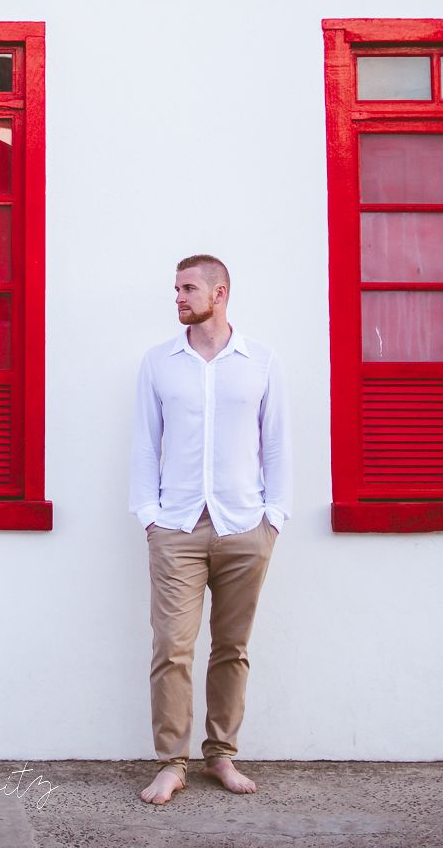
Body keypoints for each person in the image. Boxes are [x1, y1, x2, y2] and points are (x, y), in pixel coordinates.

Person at [130, 255, 291, 804]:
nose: (177, 296)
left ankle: (220, 754)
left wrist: (274, 517)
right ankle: (172, 762)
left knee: (232, 647)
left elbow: (277, 446)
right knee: (171, 648)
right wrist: (148, 516)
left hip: (245, 526)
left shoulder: (261, 362)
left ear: (219, 293)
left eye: (188, 287)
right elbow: (144, 445)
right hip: (175, 527)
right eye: (175, 287)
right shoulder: (159, 363)